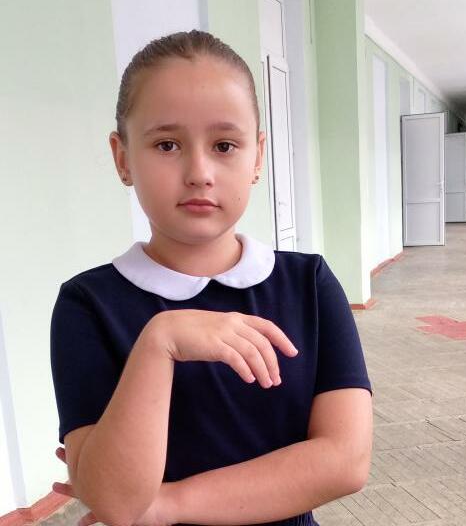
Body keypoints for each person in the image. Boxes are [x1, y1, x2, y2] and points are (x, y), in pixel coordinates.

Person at [50, 29, 373, 526]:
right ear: (122, 158)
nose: (199, 171)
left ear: (257, 157)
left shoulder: (308, 284)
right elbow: (117, 500)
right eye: (167, 144)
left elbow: (345, 461)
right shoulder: (88, 305)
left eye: (224, 145)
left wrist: (168, 504)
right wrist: (161, 341)